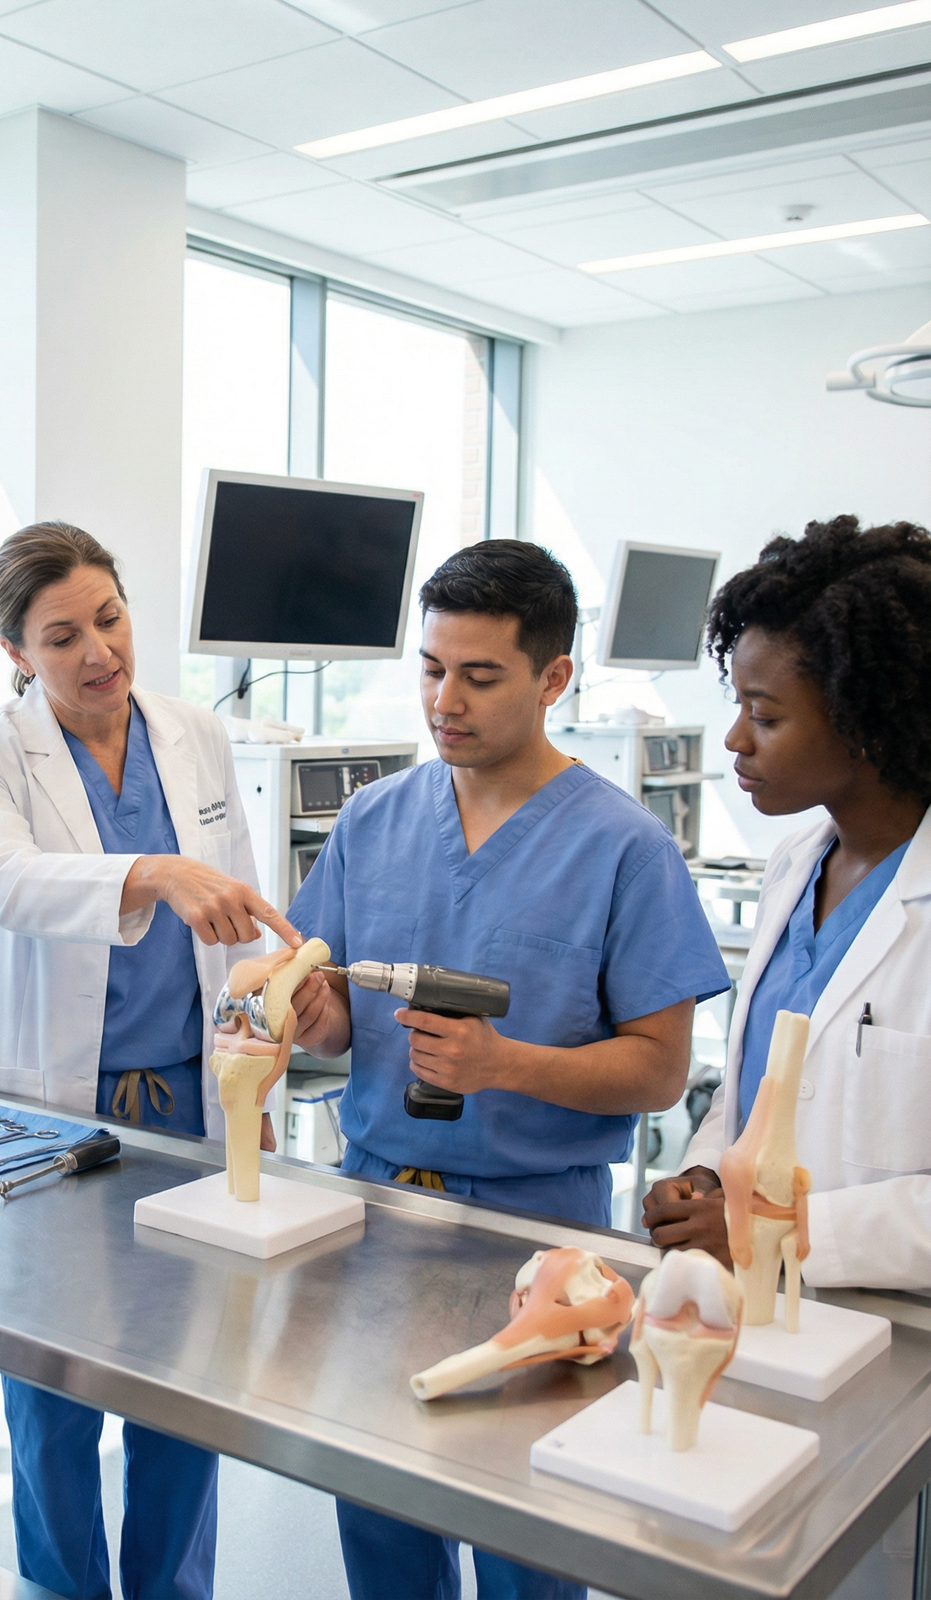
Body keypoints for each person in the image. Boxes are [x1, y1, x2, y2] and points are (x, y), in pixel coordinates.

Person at [284, 539, 729, 1600]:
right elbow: (339, 1023)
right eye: (433, 669)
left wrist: (507, 1064)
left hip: (543, 1230)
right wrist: (307, 1009)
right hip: (380, 1212)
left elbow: (661, 1070)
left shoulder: (622, 849)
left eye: (480, 676)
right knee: (382, 1512)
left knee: (532, 1531)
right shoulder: (374, 818)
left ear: (552, 678)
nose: (447, 699)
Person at [0, 520, 297, 1600]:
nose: (97, 651)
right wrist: (150, 871)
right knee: (50, 1388)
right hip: (49, 1111)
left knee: (190, 1378)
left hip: (190, 1099)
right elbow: (1, 880)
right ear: (17, 653)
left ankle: (173, 1590)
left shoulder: (195, 735)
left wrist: (253, 1082)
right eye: (61, 637)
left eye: (109, 618)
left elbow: (232, 926)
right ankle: (61, 1589)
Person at [644, 517, 931, 1287]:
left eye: (765, 716)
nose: (736, 738)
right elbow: (762, 1097)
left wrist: (783, 1230)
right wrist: (707, 1175)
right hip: (766, 1312)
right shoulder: (796, 865)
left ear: (865, 722)